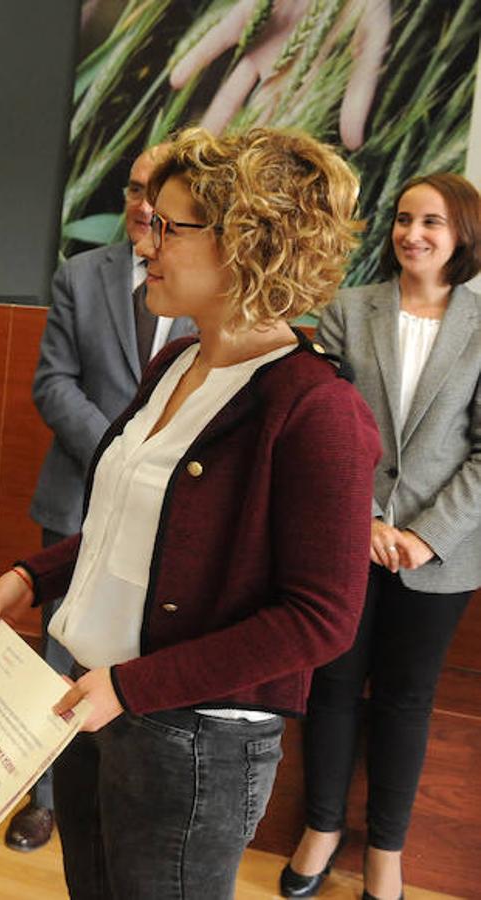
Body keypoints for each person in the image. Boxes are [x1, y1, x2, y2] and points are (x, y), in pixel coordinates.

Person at [0, 126, 379, 899]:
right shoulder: (177, 362)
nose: (144, 242)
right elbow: (142, 527)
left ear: (247, 243)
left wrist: (134, 688)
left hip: (192, 743)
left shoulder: (318, 410)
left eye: (168, 226)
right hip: (100, 705)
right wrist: (31, 573)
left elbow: (322, 619)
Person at [285, 172, 481, 900]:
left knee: (406, 698)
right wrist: (362, 518)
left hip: (443, 554)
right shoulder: (346, 310)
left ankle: (386, 852)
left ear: (461, 234)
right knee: (331, 685)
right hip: (347, 537)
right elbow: (322, 425)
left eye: (432, 221)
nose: (413, 233)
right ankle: (322, 828)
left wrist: (426, 536)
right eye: (403, 218)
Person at [10, 143, 196, 852]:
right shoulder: (80, 275)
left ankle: (122, 804)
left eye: (160, 192)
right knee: (60, 657)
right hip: (77, 502)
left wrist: (151, 470)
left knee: (140, 663)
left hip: (172, 513)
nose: (144, 204)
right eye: (135, 188)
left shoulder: (212, 290)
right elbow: (53, 384)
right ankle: (45, 797)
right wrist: (122, 457)